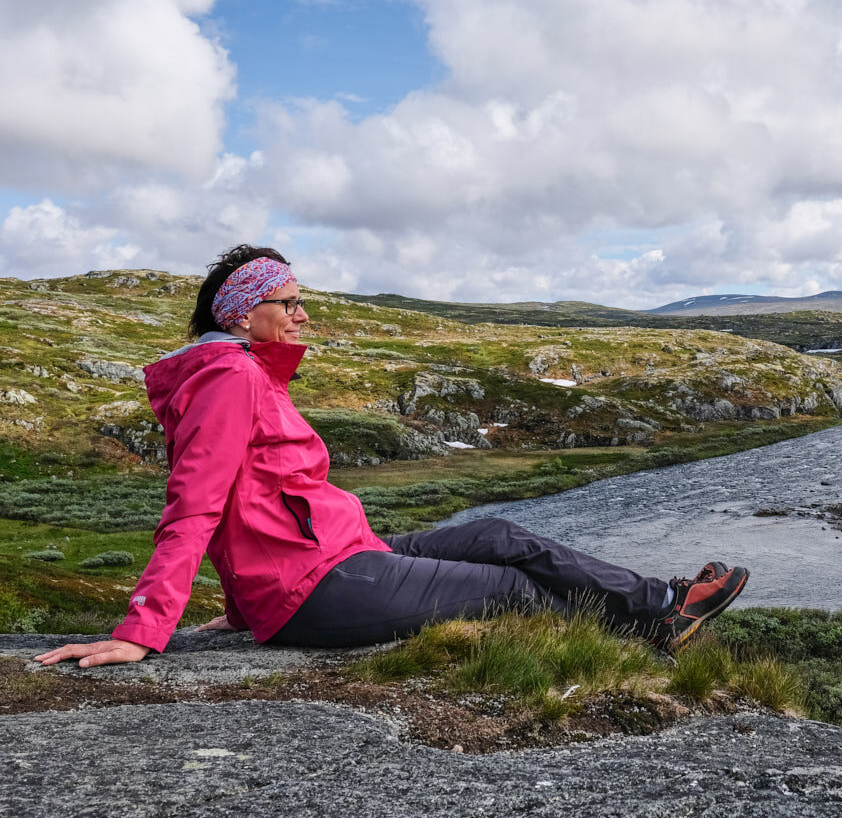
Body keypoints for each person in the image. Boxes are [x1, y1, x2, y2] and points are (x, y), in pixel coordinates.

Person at [36, 245, 748, 670]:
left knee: (501, 535)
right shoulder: (229, 378)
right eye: (288, 302)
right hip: (315, 587)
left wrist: (242, 604)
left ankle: (662, 605)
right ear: (241, 314)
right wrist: (144, 630)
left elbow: (251, 504)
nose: (302, 314)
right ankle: (654, 629)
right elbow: (197, 503)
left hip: (338, 558)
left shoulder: (245, 372)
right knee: (513, 589)